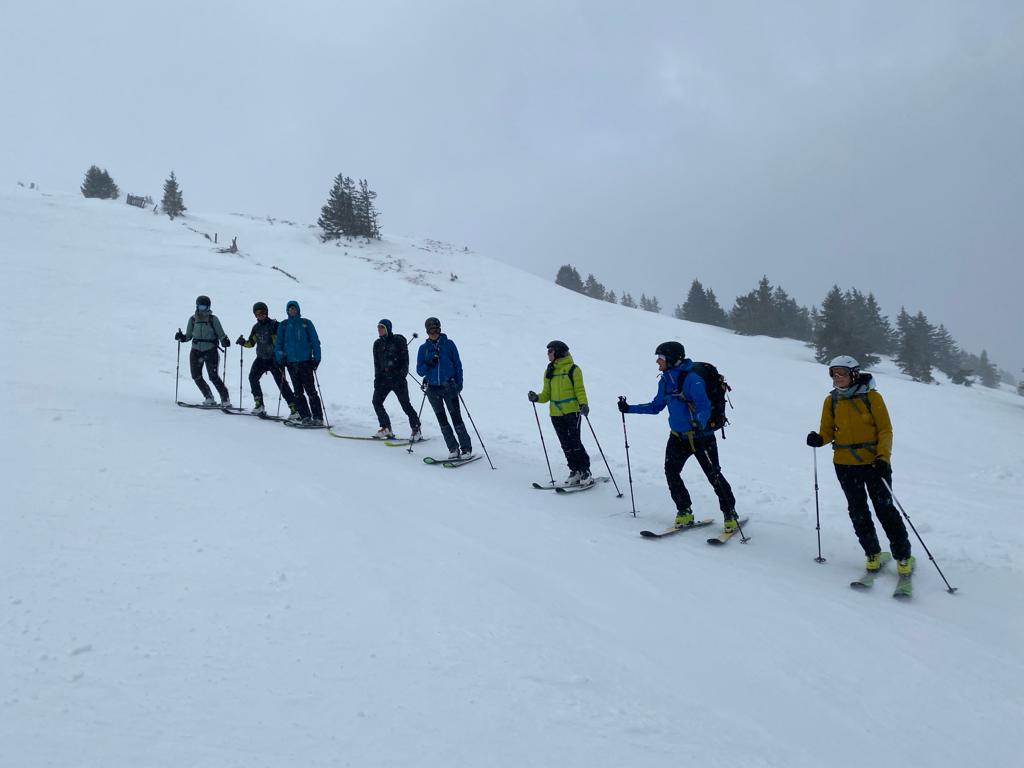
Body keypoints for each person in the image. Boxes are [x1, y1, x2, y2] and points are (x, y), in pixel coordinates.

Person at [806, 356, 913, 576]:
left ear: (854, 374)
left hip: (874, 464)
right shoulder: (831, 401)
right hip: (844, 464)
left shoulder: (872, 397)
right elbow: (827, 431)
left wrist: (883, 458)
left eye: (842, 373)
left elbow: (885, 430)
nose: (837, 377)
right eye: (833, 373)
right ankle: (872, 554)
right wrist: (819, 439)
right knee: (857, 511)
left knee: (885, 510)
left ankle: (903, 556)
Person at [618, 341, 738, 530]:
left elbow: (704, 406)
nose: (658, 361)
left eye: (661, 358)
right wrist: (629, 408)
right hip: (677, 436)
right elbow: (656, 406)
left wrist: (700, 422)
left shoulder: (693, 380)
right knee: (671, 471)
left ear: (672, 359)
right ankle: (684, 511)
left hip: (701, 436)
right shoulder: (665, 381)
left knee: (713, 474)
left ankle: (730, 513)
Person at [528, 340, 592, 485]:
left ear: (558, 352)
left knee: (575, 442)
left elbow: (580, 390)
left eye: (550, 351)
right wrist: (536, 398)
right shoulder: (549, 371)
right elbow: (546, 394)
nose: (548, 354)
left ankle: (585, 471)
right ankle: (575, 470)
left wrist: (584, 404)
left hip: (572, 412)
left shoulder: (574, 369)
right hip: (555, 414)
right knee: (565, 444)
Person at [416, 317, 471, 459]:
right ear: (427, 332)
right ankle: (453, 448)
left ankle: (466, 448)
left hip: (449, 387)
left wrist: (459, 384)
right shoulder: (423, 349)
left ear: (440, 330)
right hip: (432, 389)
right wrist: (429, 363)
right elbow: (419, 371)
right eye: (431, 330)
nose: (434, 333)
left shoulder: (449, 344)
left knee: (456, 418)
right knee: (442, 420)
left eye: (436, 330)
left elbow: (458, 365)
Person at [236, 301, 297, 419]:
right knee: (252, 377)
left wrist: (282, 355)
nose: (261, 315)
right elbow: (251, 343)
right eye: (258, 313)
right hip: (261, 359)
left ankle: (294, 409)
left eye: (263, 312)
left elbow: (282, 342)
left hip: (275, 360)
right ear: (255, 315)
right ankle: (259, 404)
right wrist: (243, 342)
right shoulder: (256, 328)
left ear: (267, 312)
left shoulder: (275, 325)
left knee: (282, 384)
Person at [174, 294, 232, 406]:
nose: (202, 309)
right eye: (200, 306)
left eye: (204, 306)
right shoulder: (192, 320)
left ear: (208, 307)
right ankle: (209, 397)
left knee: (213, 377)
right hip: (195, 351)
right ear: (197, 306)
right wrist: (181, 337)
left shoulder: (213, 319)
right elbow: (188, 336)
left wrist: (224, 340)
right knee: (196, 376)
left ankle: (225, 399)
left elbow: (221, 334)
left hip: (210, 351)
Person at [274, 300, 323, 426]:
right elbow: (278, 344)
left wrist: (316, 358)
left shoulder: (306, 323)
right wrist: (280, 357)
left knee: (311, 391)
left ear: (298, 310)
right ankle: (305, 416)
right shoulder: (283, 325)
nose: (292, 310)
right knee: (298, 392)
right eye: (290, 309)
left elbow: (315, 341)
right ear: (287, 311)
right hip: (291, 363)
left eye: (294, 308)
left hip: (306, 362)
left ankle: (318, 417)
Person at [372, 319, 421, 439]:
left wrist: (400, 375)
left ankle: (416, 430)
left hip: (397, 380)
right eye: (378, 327)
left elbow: (405, 361)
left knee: (405, 405)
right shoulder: (377, 344)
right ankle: (386, 428)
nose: (379, 329)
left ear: (388, 328)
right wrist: (377, 379)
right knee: (376, 401)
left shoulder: (398, 341)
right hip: (383, 380)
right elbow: (377, 364)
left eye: (382, 327)